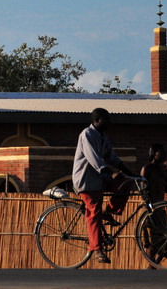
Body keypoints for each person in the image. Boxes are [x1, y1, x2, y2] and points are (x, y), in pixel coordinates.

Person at [72, 108, 136, 264]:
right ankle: (96, 249)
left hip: (100, 178)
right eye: (107, 120)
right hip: (86, 180)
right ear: (97, 120)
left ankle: (109, 212)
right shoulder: (87, 134)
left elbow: (111, 157)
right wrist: (107, 171)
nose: (110, 123)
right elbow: (93, 158)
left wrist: (131, 173)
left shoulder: (103, 136)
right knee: (94, 212)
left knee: (125, 183)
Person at [140, 143, 167, 268]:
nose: (164, 154)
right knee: (153, 241)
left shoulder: (162, 169)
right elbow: (142, 190)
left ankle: (153, 266)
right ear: (154, 154)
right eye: (161, 152)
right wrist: (148, 209)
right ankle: (151, 266)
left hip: (160, 210)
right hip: (150, 208)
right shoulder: (147, 168)